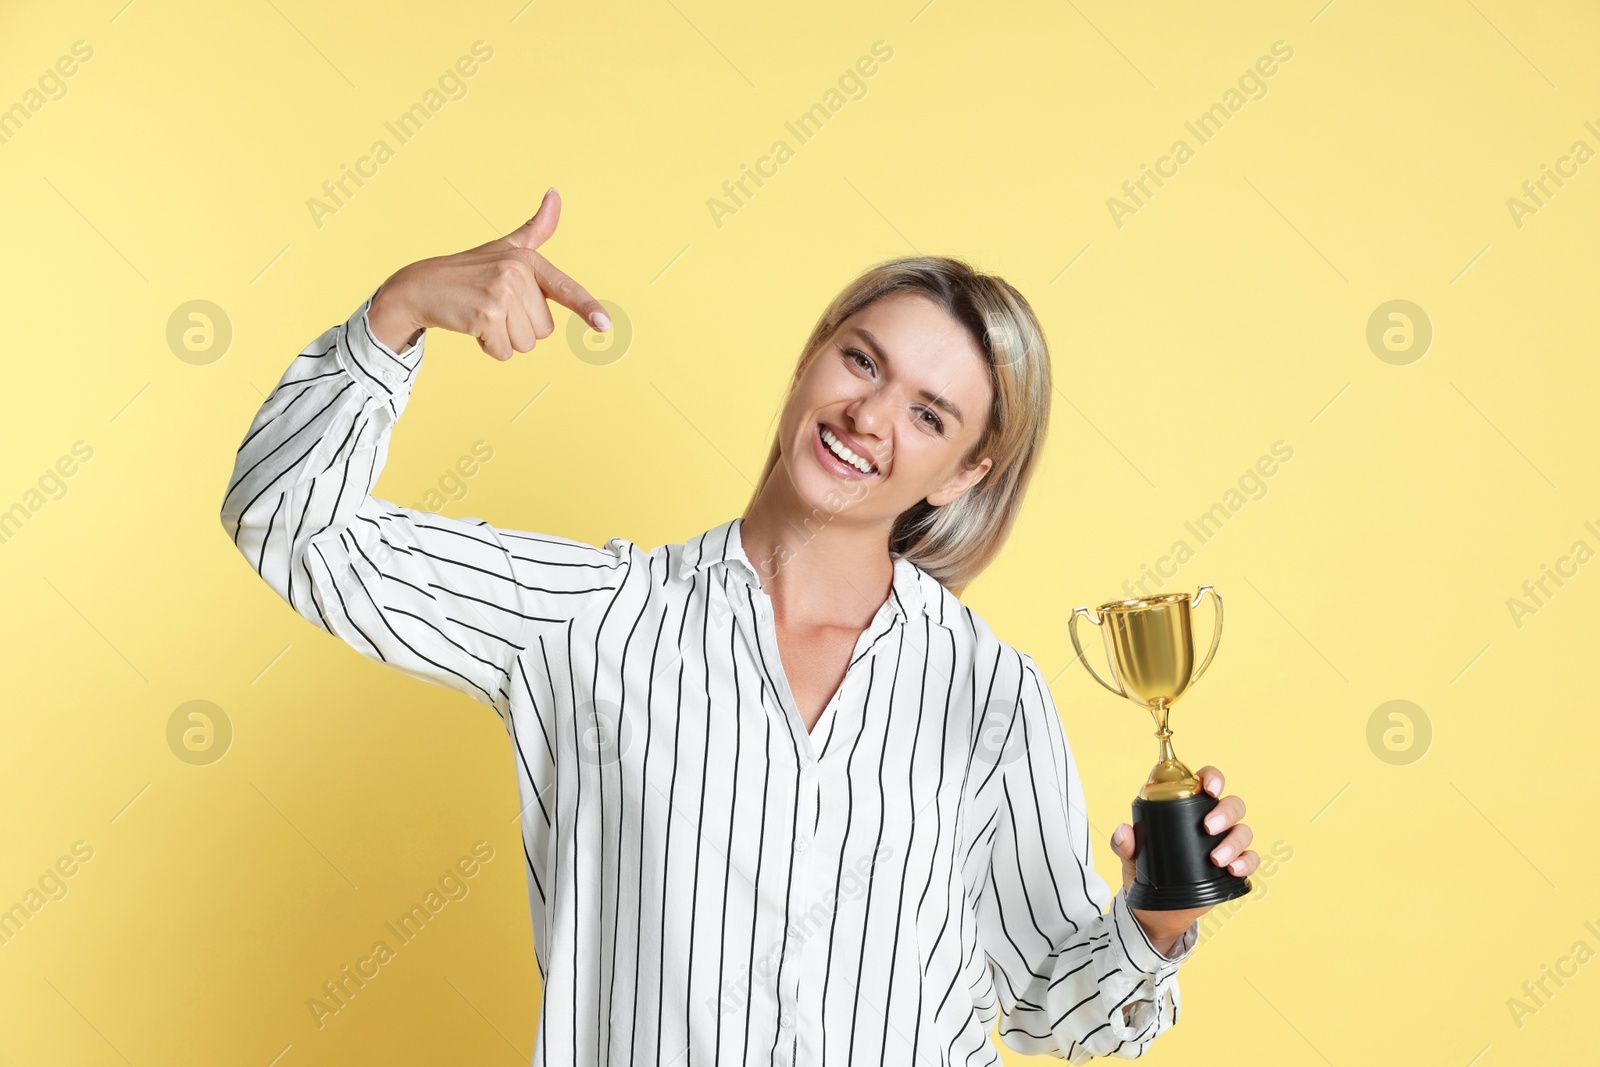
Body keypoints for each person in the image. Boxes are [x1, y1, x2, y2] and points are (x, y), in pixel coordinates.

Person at [219, 187, 1257, 1065]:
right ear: (812, 360)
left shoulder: (987, 689)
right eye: (861, 362)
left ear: (965, 473)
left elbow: (1049, 1012)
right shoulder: (590, 619)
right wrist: (395, 313)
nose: (869, 416)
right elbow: (288, 525)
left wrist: (1158, 914)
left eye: (930, 414)